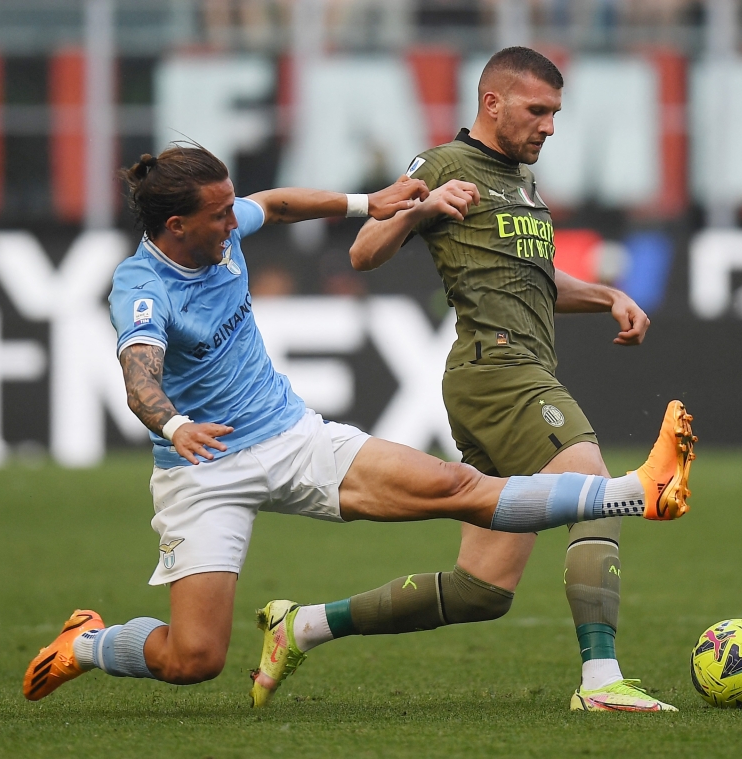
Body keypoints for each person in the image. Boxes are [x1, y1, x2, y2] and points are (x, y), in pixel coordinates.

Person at [21, 144, 695, 703]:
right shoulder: (142, 288)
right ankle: (88, 641)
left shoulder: (222, 228)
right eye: (221, 214)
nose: (234, 221)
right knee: (193, 658)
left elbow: (275, 204)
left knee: (456, 486)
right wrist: (175, 428)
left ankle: (636, 491)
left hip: (291, 437)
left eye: (231, 207)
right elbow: (139, 379)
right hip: (203, 470)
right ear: (176, 226)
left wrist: (365, 203)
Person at [249, 47, 694, 714]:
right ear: (492, 103)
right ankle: (601, 680)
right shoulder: (441, 164)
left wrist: (607, 295)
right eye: (536, 111)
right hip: (499, 372)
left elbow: (534, 281)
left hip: (504, 377)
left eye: (555, 113)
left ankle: (303, 625)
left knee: (481, 591)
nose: (549, 126)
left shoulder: (522, 182)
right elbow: (363, 251)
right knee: (596, 490)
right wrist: (420, 210)